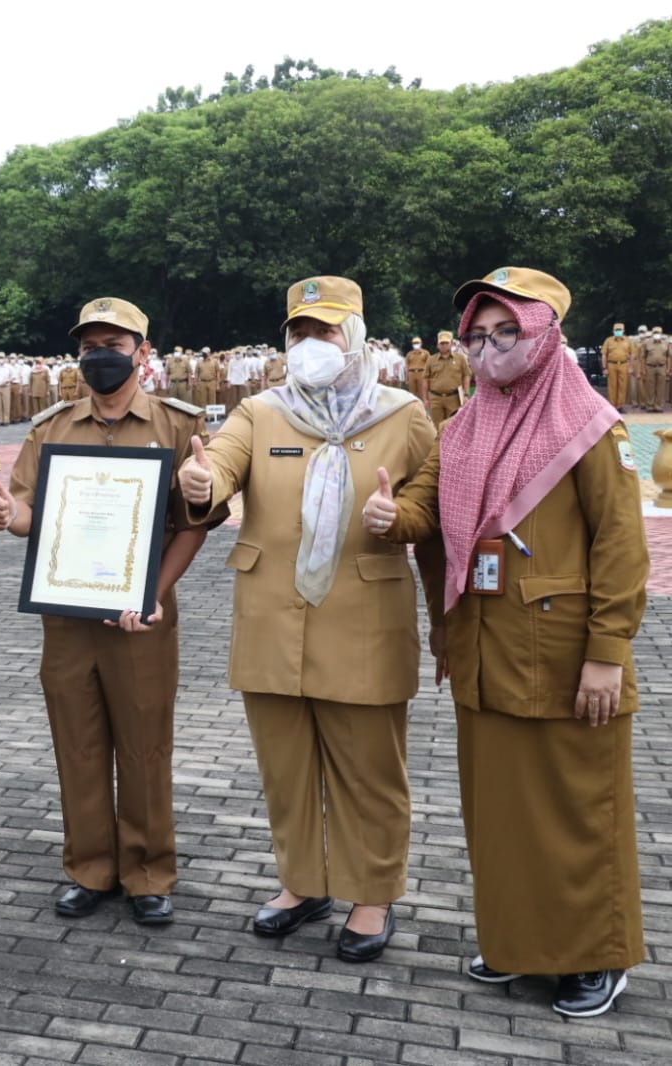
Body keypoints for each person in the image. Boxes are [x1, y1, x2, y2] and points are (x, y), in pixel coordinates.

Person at [363, 267, 648, 1018]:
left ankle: (594, 957)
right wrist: (388, 518)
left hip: (564, 658)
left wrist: (606, 656)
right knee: (499, 813)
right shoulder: (464, 426)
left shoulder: (590, 428)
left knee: (577, 808)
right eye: (478, 336)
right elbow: (422, 504)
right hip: (484, 652)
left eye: (505, 333)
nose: (488, 349)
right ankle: (518, 943)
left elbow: (621, 549)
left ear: (544, 337)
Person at [178, 276, 438, 962]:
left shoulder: (401, 414)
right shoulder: (261, 412)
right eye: (298, 332)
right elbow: (222, 469)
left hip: (363, 617)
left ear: (354, 336)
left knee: (368, 770)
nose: (310, 344)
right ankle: (302, 883)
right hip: (271, 616)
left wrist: (397, 518)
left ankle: (372, 893)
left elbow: (429, 507)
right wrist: (201, 484)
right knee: (285, 766)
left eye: (324, 330)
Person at [0, 297, 222, 924]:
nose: (100, 357)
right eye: (89, 346)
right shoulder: (52, 428)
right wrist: (4, 514)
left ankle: (148, 872)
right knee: (79, 742)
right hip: (67, 618)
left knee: (145, 746)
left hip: (140, 619)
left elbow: (193, 525)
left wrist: (154, 593)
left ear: (142, 355)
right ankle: (89, 868)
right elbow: (26, 514)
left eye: (114, 346)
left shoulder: (178, 426)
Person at [426, 330, 470, 427]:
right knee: (436, 427)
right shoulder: (431, 360)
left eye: (446, 343)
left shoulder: (460, 358)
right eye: (442, 343)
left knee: (454, 426)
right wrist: (426, 398)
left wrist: (466, 394)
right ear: (438, 345)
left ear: (451, 344)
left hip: (454, 398)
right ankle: (439, 443)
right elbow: (425, 379)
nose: (444, 345)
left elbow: (466, 375)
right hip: (436, 398)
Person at [640, 325, 668, 412]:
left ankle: (659, 406)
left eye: (658, 333)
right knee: (650, 388)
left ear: (661, 333)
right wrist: (643, 369)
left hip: (662, 367)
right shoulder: (647, 343)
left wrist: (669, 369)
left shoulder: (666, 343)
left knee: (661, 388)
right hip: (650, 368)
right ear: (652, 334)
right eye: (655, 333)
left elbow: (669, 357)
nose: (657, 334)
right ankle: (650, 406)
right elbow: (643, 357)